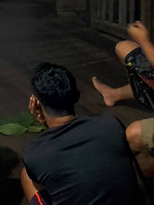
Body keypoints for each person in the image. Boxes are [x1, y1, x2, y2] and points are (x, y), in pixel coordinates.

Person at [21, 62, 142, 205]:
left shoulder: (33, 153)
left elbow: (54, 152)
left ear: (37, 104)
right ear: (76, 96)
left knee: (27, 177)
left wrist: (44, 122)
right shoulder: (110, 123)